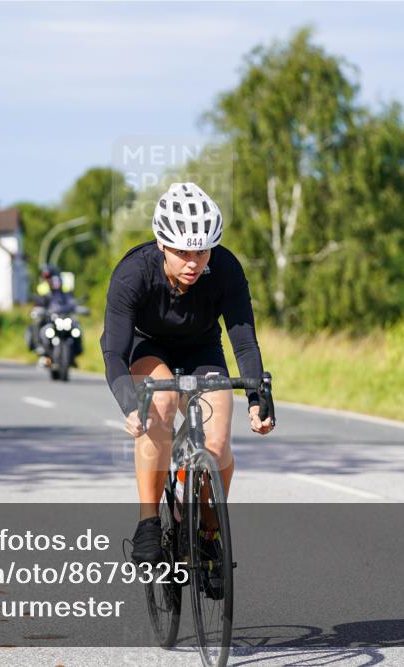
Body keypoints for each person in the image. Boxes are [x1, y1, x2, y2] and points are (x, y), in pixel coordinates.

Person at [100, 182, 275, 565]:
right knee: (159, 404)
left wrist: (258, 400)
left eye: (201, 250)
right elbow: (113, 348)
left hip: (201, 349)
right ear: (162, 244)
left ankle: (207, 534)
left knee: (218, 443)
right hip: (147, 348)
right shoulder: (134, 273)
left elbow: (244, 342)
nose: (193, 262)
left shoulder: (225, 268)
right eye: (182, 252)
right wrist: (130, 405)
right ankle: (148, 523)